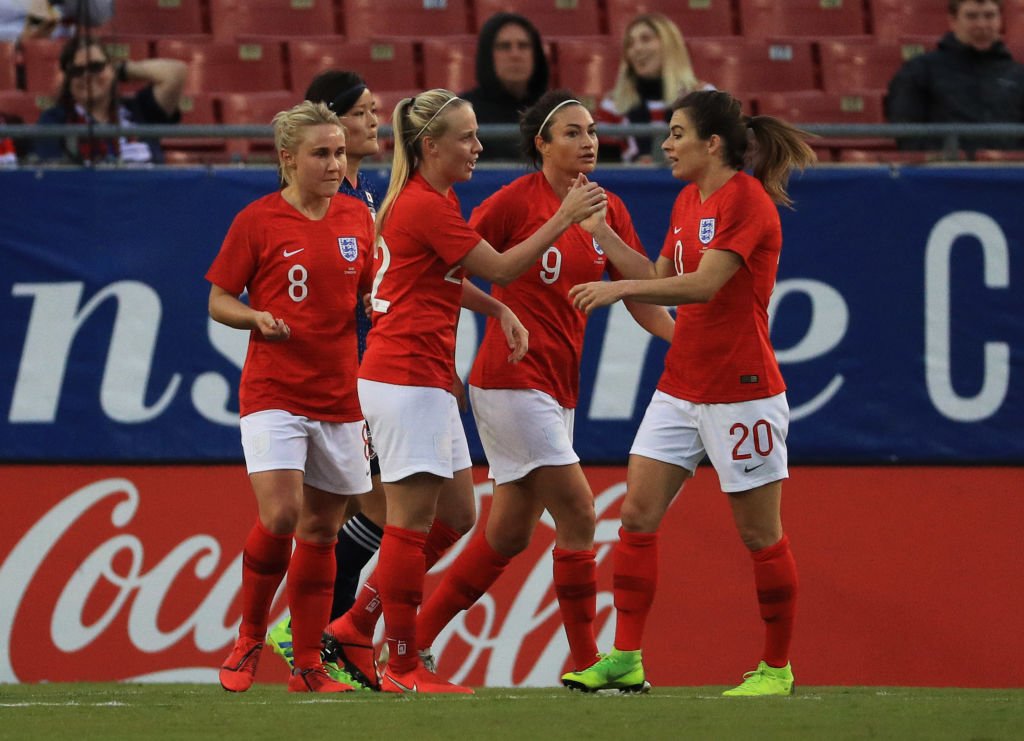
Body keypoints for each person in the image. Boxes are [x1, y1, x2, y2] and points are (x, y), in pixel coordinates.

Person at [323, 88, 605, 695]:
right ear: (430, 145)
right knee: (409, 525)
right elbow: (500, 268)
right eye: (467, 137)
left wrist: (497, 314)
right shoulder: (426, 205)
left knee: (457, 515)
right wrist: (562, 218)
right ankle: (400, 663)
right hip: (404, 376)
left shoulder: (428, 200)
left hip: (422, 375)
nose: (478, 146)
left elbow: (442, 278)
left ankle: (355, 623)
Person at [412, 90, 674, 684]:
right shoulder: (514, 203)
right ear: (543, 145)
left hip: (558, 388)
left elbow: (641, 288)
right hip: (509, 380)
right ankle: (590, 665)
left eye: (591, 132)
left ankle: (410, 640)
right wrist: (498, 314)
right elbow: (447, 267)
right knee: (580, 512)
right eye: (572, 133)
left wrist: (680, 340)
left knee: (506, 533)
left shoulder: (607, 207)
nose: (588, 142)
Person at [566, 89, 815, 696]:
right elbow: (656, 275)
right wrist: (601, 238)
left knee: (760, 536)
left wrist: (617, 294)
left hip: (742, 390)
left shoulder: (749, 203)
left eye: (677, 133)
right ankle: (625, 658)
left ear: (713, 144)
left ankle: (776, 669)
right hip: (681, 385)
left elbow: (703, 286)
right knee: (635, 516)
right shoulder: (686, 198)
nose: (667, 144)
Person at [208, 100, 375, 694]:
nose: (335, 163)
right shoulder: (258, 220)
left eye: (338, 152)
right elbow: (218, 298)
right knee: (280, 514)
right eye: (321, 153)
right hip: (274, 391)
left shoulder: (359, 219)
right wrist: (254, 317)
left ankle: (307, 665)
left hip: (339, 396)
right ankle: (250, 633)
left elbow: (367, 299)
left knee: (323, 533)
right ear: (287, 159)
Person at [885, 0, 1024, 152]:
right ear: (953, 21)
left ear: (1000, 19)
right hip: (946, 172)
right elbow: (906, 129)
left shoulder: (1018, 74)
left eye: (989, 15)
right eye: (972, 16)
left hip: (1010, 172)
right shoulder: (920, 70)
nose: (982, 24)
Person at [34, 35, 186, 164]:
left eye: (96, 67)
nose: (87, 76)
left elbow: (175, 73)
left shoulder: (139, 108)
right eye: (77, 71)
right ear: (68, 80)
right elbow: (53, 173)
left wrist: (119, 70)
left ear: (112, 69)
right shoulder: (54, 120)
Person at [597, 13, 711, 163]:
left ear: (670, 45)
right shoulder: (613, 105)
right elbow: (608, 169)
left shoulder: (704, 98)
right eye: (630, 44)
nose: (637, 48)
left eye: (646, 39)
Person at [460, 12, 549, 161]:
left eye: (523, 46)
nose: (515, 55)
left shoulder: (556, 110)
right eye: (504, 46)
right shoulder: (462, 113)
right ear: (488, 56)